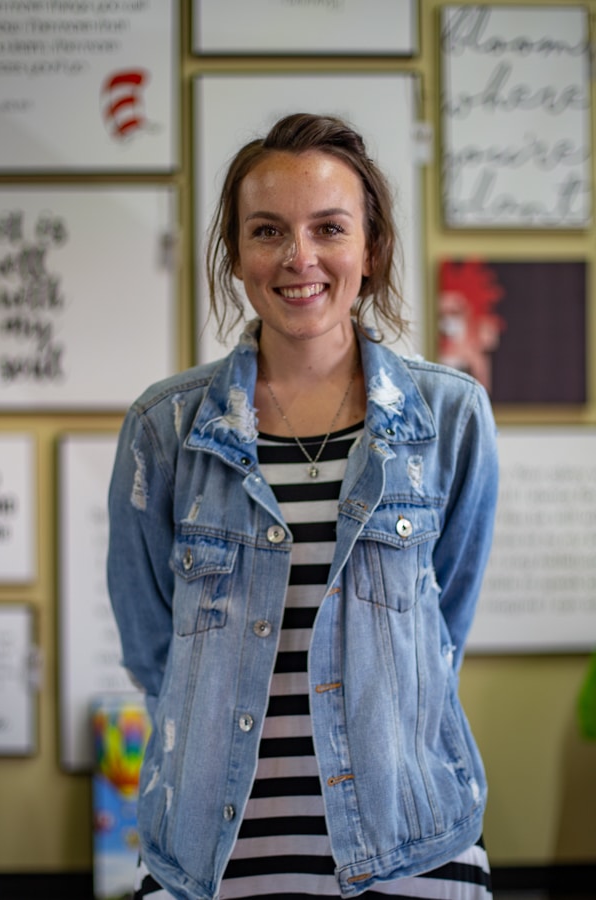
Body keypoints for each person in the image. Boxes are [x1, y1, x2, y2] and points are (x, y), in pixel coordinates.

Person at [107, 112, 499, 900]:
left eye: (329, 228)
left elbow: (440, 632)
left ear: (371, 248)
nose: (299, 257)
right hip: (211, 863)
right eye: (267, 231)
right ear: (235, 254)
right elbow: (154, 651)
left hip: (412, 849)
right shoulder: (163, 428)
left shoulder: (450, 416)